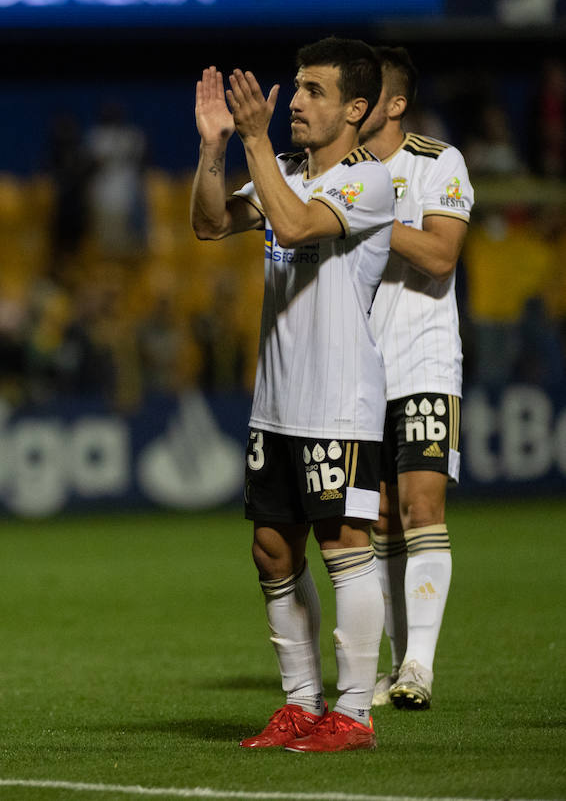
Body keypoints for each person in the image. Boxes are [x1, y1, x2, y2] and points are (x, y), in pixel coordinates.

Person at [191, 38, 394, 752]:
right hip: (276, 404)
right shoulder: (287, 171)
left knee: (346, 546)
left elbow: (295, 224)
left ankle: (355, 713)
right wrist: (217, 149)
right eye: (297, 88)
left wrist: (254, 141)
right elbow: (211, 222)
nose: (296, 101)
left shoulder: (367, 183)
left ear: (356, 109)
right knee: (273, 551)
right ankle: (301, 704)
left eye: (313, 90)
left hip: (341, 402)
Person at [360, 47, 475, 711]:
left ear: (392, 104)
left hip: (424, 360)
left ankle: (420, 667)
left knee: (421, 507)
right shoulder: (336, 169)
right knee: (376, 518)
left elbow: (438, 255)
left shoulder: (438, 162)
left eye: (360, 92)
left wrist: (364, 215)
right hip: (355, 368)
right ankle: (394, 667)